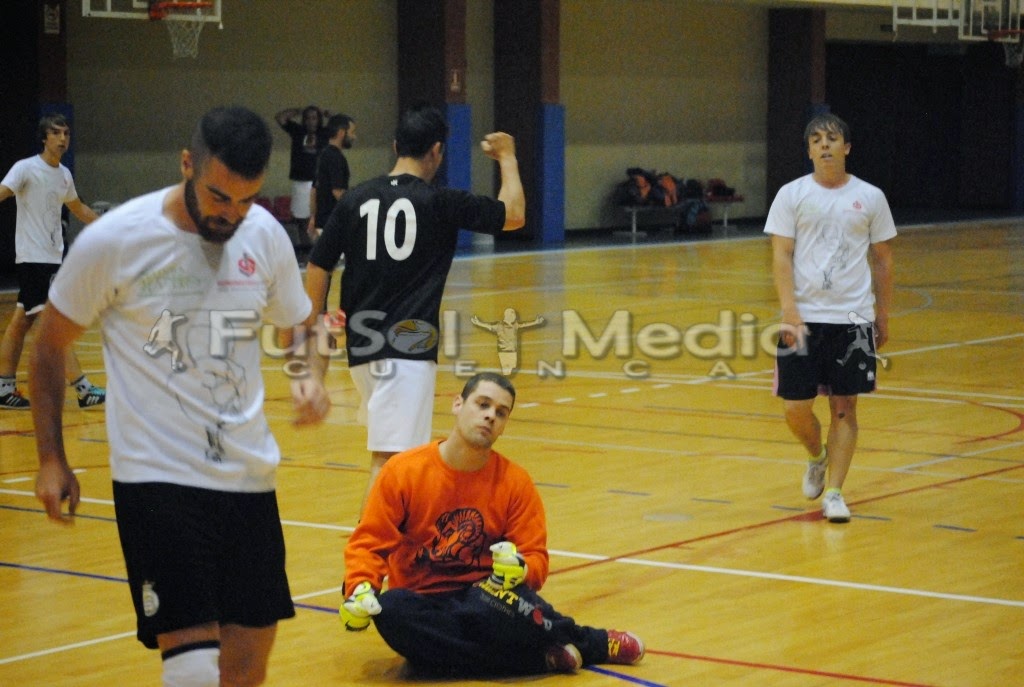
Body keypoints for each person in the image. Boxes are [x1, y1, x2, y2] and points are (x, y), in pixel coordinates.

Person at [31, 106, 331, 687]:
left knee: (246, 667)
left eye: (247, 201)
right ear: (187, 164)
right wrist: (51, 457)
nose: (232, 215)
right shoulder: (116, 241)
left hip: (248, 477)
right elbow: (48, 349)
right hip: (156, 480)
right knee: (193, 670)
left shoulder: (263, 235)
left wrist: (307, 374)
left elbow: (299, 327)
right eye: (220, 198)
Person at [339, 371, 645, 676]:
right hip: (424, 603)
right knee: (391, 609)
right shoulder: (403, 471)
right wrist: (359, 590)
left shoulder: (515, 482)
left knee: (497, 606)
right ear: (458, 404)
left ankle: (593, 642)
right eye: (482, 405)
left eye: (501, 412)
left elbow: (536, 557)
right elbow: (368, 543)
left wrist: (521, 568)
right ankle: (536, 660)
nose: (490, 417)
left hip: (487, 599)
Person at [305, 103, 525, 514]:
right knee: (391, 465)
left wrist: (317, 324)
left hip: (363, 353)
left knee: (401, 462)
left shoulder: (356, 199)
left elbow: (318, 263)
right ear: (437, 151)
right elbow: (513, 215)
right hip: (405, 351)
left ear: (395, 146)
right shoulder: (439, 201)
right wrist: (508, 159)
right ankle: (365, 569)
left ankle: (391, 560)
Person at [764, 112, 895, 523]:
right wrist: (789, 311)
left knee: (844, 409)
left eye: (832, 139)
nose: (824, 145)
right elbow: (781, 255)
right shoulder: (791, 195)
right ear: (808, 150)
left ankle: (835, 492)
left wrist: (883, 315)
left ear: (847, 147)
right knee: (795, 408)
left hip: (853, 318)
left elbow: (884, 260)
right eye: (816, 140)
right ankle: (816, 456)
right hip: (803, 317)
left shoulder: (870, 197)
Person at [0, 113, 106, 410]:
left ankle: (4, 387)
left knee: (21, 322)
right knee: (54, 325)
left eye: (66, 133)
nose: (62, 139)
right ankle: (83, 390)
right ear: (44, 138)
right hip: (33, 260)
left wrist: (109, 228)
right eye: (56, 133)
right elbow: (3, 192)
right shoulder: (25, 168)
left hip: (51, 259)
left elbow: (79, 208)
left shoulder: (64, 176)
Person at [275, 104, 330, 230]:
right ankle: (303, 247)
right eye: (308, 118)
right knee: (300, 219)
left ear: (319, 120)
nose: (311, 121)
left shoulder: (324, 133)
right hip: (300, 181)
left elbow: (342, 124)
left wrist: (326, 112)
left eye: (314, 118)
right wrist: (299, 110)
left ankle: (317, 247)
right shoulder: (297, 131)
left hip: (318, 182)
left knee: (318, 219)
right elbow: (280, 117)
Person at [308, 113, 356, 242]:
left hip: (321, 222)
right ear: (341, 133)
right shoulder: (337, 158)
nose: (354, 136)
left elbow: (313, 190)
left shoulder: (323, 155)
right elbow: (338, 192)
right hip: (333, 224)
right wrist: (356, 208)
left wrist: (313, 218)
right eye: (352, 132)